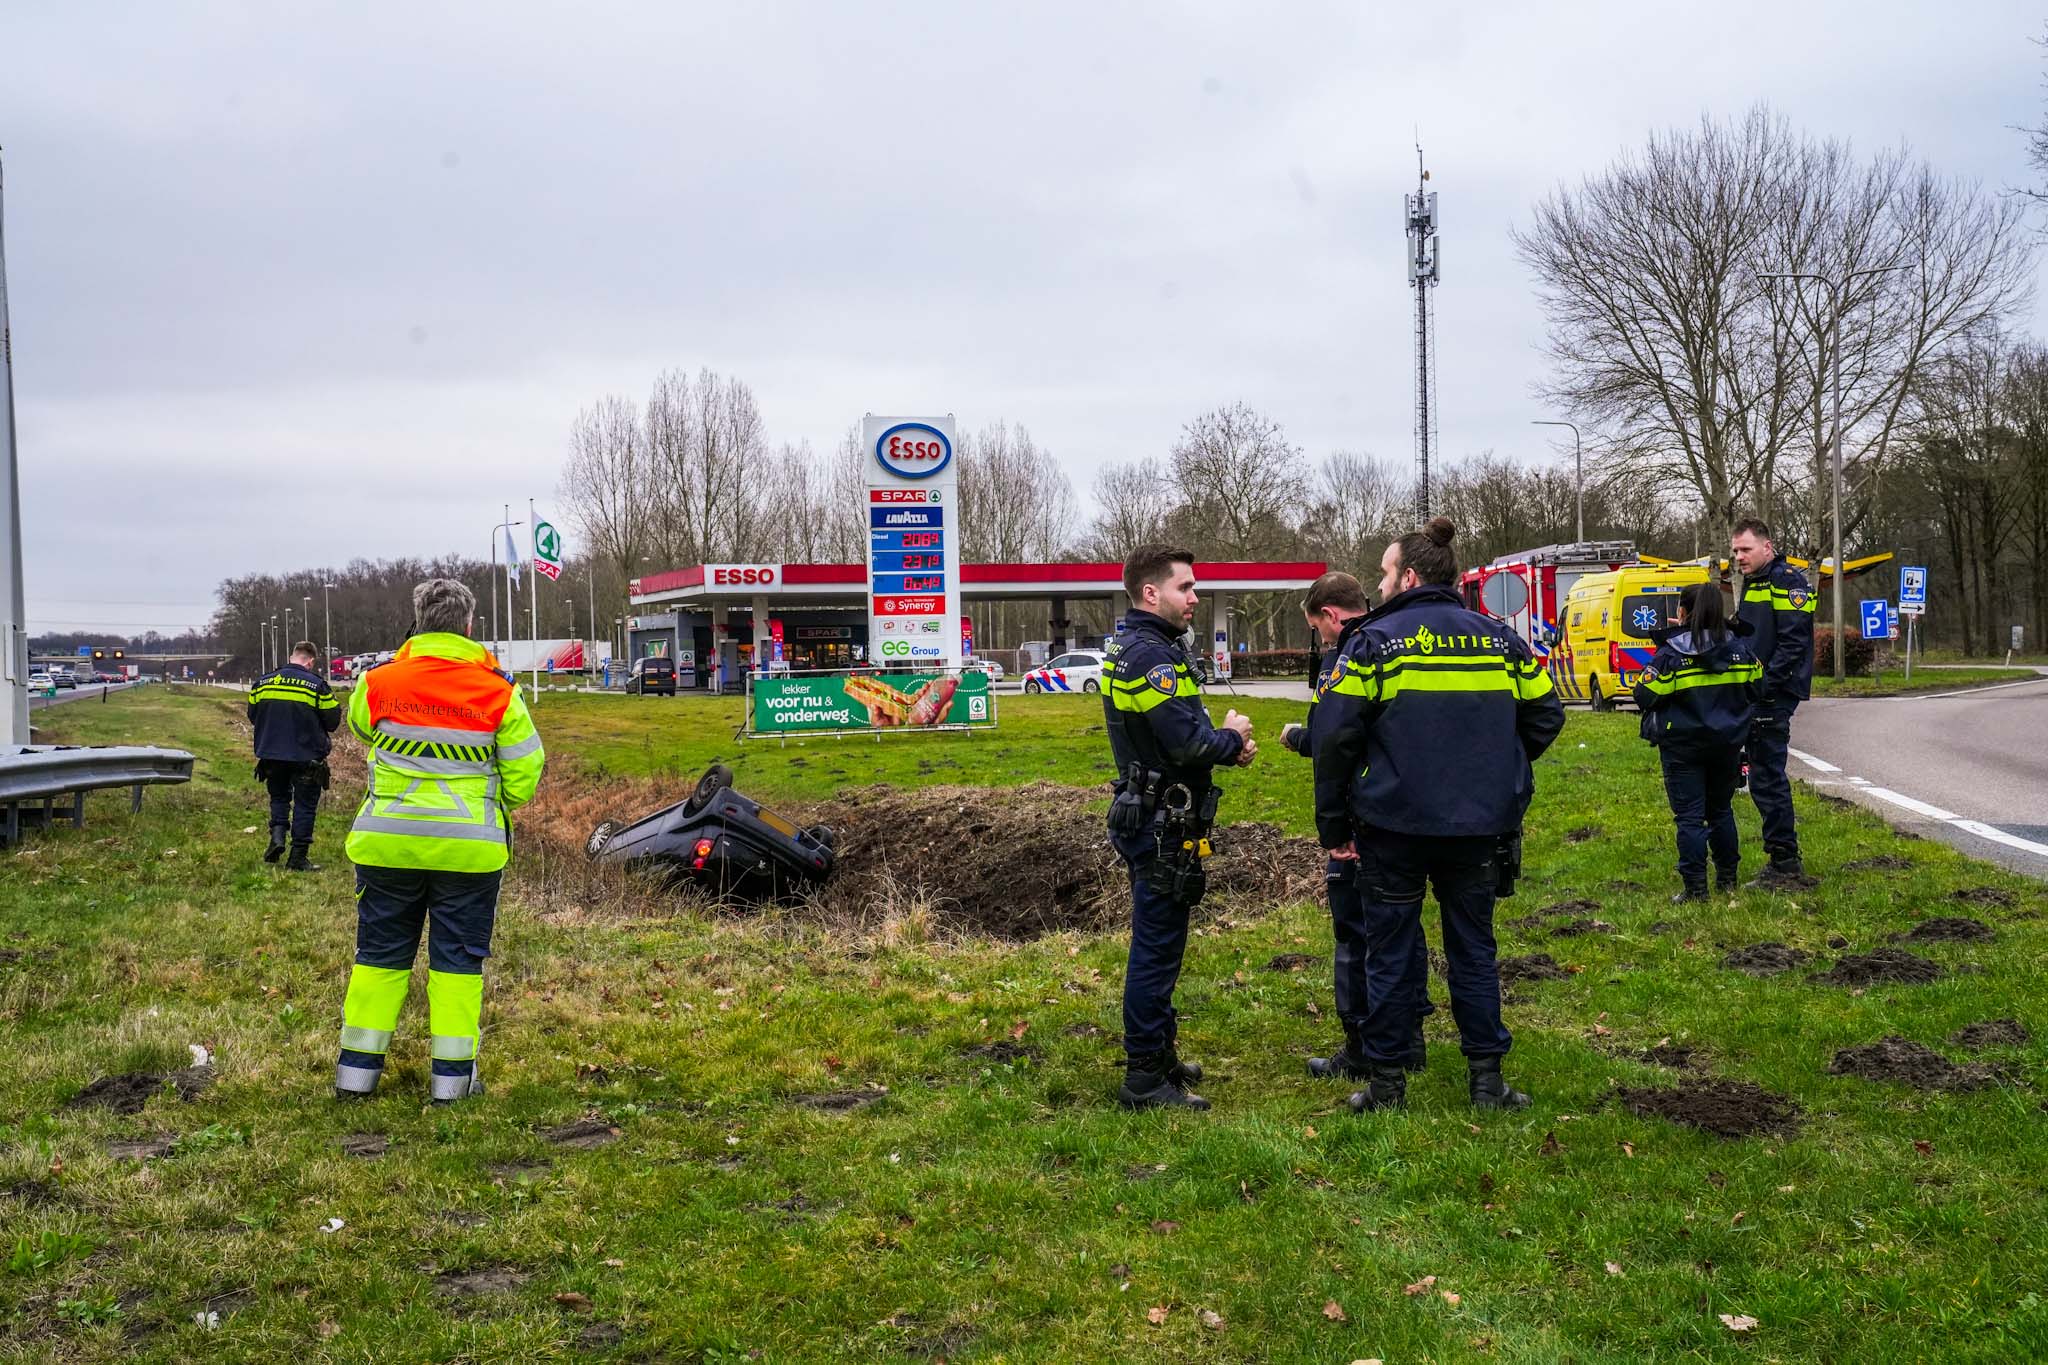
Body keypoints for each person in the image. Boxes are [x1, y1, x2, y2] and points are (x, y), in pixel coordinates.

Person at [1313, 518, 1564, 1114]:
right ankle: (1487, 1083)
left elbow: (1335, 738)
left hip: (1392, 825)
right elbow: (1546, 717)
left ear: (1411, 576)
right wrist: (1496, 769)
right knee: (1474, 949)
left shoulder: (1372, 643)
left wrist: (1334, 826)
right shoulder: (1501, 639)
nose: (1378, 585)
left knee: (1391, 953)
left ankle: (1387, 1087)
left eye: (1384, 572)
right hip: (1479, 827)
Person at [334, 579, 545, 1103]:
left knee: (378, 958)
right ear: (470, 626)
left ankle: (355, 1078)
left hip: (388, 845)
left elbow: (361, 729)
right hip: (469, 851)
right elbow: (525, 774)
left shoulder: (378, 681)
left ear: (419, 621)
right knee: (458, 964)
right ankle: (451, 1084)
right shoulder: (500, 690)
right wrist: (485, 804)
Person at [1102, 544, 1255, 1110]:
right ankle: (1144, 1078)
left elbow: (1180, 735)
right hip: (1160, 822)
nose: (1195, 597)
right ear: (1151, 593)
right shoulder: (1151, 658)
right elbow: (1189, 741)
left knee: (1162, 942)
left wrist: (1220, 744)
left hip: (1155, 813)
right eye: (1185, 588)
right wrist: (1233, 738)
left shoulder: (1145, 648)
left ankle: (1161, 1056)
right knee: (1157, 949)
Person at [1282, 572, 1436, 1083]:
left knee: (1356, 933)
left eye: (1317, 629)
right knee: (1403, 929)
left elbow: (1336, 741)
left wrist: (1300, 738)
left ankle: (1362, 1044)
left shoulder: (1349, 655)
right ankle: (1409, 1035)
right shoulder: (1401, 641)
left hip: (1361, 814)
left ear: (1329, 615)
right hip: (1408, 808)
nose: (1321, 639)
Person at [1633, 583, 1763, 901]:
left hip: (1682, 746)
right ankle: (1727, 879)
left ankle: (1695, 888)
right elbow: (1758, 687)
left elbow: (1644, 694)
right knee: (1721, 810)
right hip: (1727, 745)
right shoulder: (1741, 650)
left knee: (1690, 816)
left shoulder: (1672, 653)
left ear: (1682, 612)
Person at [1730, 518, 1817, 888]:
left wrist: (1765, 686)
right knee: (1761, 776)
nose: (1738, 557)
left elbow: (1792, 642)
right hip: (1757, 692)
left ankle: (1784, 863)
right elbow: (1751, 635)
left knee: (1767, 777)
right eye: (1735, 551)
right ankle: (1782, 857)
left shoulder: (1786, 580)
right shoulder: (1756, 582)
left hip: (1772, 694)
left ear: (1767, 547)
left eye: (1745, 549)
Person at [248, 640, 341, 872]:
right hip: (306, 756)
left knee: (279, 798)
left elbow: (253, 715)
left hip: (271, 755)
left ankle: (277, 835)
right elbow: (332, 722)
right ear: (310, 661)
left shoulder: (262, 683)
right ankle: (298, 857)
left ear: (292, 656)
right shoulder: (316, 685)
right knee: (305, 805)